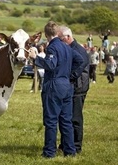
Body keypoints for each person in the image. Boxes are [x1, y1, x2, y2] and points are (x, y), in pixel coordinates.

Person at [28, 21, 84, 158]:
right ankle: (70, 151)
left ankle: (49, 152)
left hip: (54, 85)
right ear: (57, 33)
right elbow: (81, 60)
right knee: (66, 120)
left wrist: (35, 58)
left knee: (51, 120)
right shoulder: (67, 47)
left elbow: (51, 65)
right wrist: (71, 75)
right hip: (67, 85)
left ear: (46, 35)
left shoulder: (52, 48)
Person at [57, 25, 90, 154]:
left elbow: (79, 67)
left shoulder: (78, 50)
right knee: (66, 118)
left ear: (68, 37)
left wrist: (68, 77)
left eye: (61, 38)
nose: (59, 41)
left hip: (78, 88)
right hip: (70, 87)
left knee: (75, 118)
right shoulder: (68, 48)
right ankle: (66, 144)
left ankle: (76, 146)